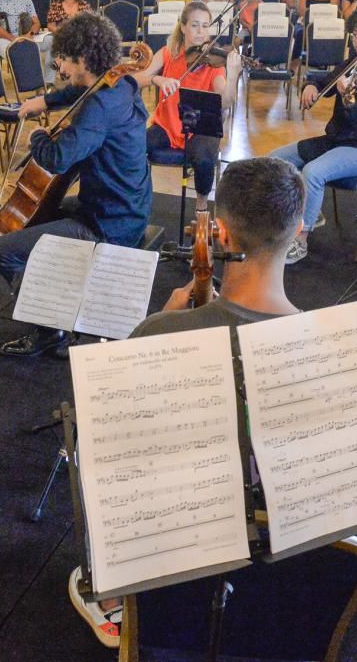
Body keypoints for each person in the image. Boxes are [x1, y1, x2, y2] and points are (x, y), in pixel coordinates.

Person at [68, 156, 304, 646]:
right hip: (286, 562)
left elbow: (110, 418)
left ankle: (111, 599)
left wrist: (161, 320)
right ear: (299, 232)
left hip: (180, 526)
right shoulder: (329, 344)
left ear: (217, 235)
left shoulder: (162, 331)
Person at [0, 12, 151, 356]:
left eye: (64, 59)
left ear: (82, 58)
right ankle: (58, 291)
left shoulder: (98, 107)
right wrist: (45, 101)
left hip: (109, 224)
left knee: (3, 250)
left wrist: (37, 137)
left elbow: (57, 158)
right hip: (126, 207)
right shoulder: (119, 84)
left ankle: (51, 333)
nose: (60, 67)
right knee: (44, 218)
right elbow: (79, 89)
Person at [270, 3, 357, 265]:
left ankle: (301, 239)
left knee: (313, 172)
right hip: (338, 140)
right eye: (354, 34)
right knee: (277, 160)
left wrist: (347, 95)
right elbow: (326, 80)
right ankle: (311, 210)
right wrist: (311, 84)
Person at [135, 2, 238, 212]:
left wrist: (233, 74)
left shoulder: (213, 62)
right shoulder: (168, 52)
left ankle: (201, 209)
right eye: (195, 25)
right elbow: (137, 79)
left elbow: (225, 102)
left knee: (204, 160)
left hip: (201, 128)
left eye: (205, 26)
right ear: (183, 27)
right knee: (135, 148)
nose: (201, 32)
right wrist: (158, 80)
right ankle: (139, 199)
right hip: (167, 125)